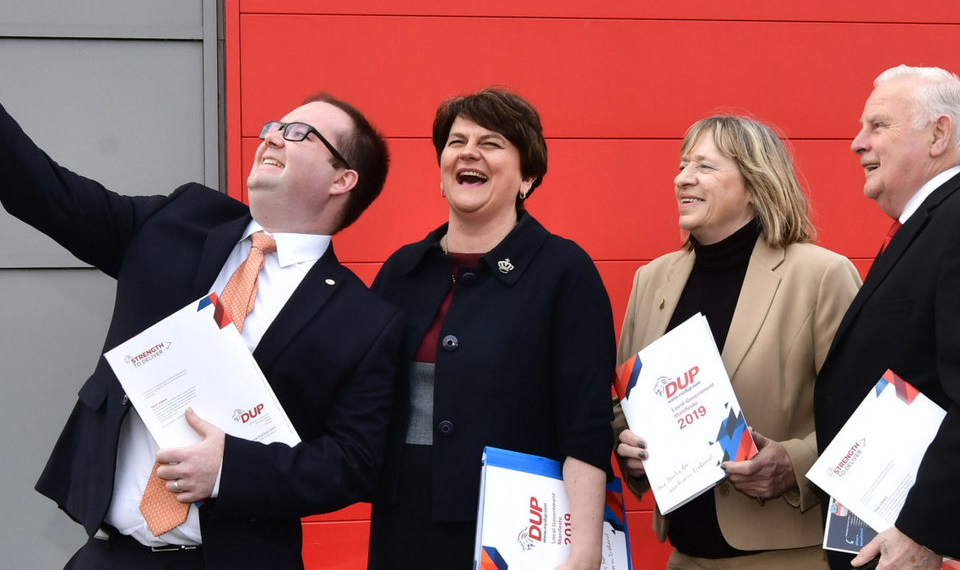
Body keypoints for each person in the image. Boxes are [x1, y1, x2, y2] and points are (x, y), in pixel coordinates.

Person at [0, 92, 404, 570]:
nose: (272, 135)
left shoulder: (366, 319)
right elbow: (50, 194)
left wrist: (229, 471)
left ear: (343, 179)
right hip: (108, 555)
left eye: (299, 133)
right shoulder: (180, 219)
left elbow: (352, 463)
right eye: (274, 124)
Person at [365, 87, 616, 570]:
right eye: (456, 141)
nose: (468, 152)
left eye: (492, 142)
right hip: (404, 527)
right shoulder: (403, 271)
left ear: (528, 176)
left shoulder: (564, 272)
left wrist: (583, 552)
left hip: (519, 532)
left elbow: (586, 426)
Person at [614, 115, 861, 570]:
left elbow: (866, 415)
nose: (683, 178)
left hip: (787, 556)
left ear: (755, 183)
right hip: (684, 555)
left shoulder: (821, 274)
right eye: (682, 164)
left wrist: (793, 462)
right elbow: (626, 403)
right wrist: (628, 448)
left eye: (704, 167)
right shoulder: (650, 280)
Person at [814, 65, 960, 570]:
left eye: (878, 126)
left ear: (939, 134)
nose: (857, 143)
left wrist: (924, 530)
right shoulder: (926, 224)